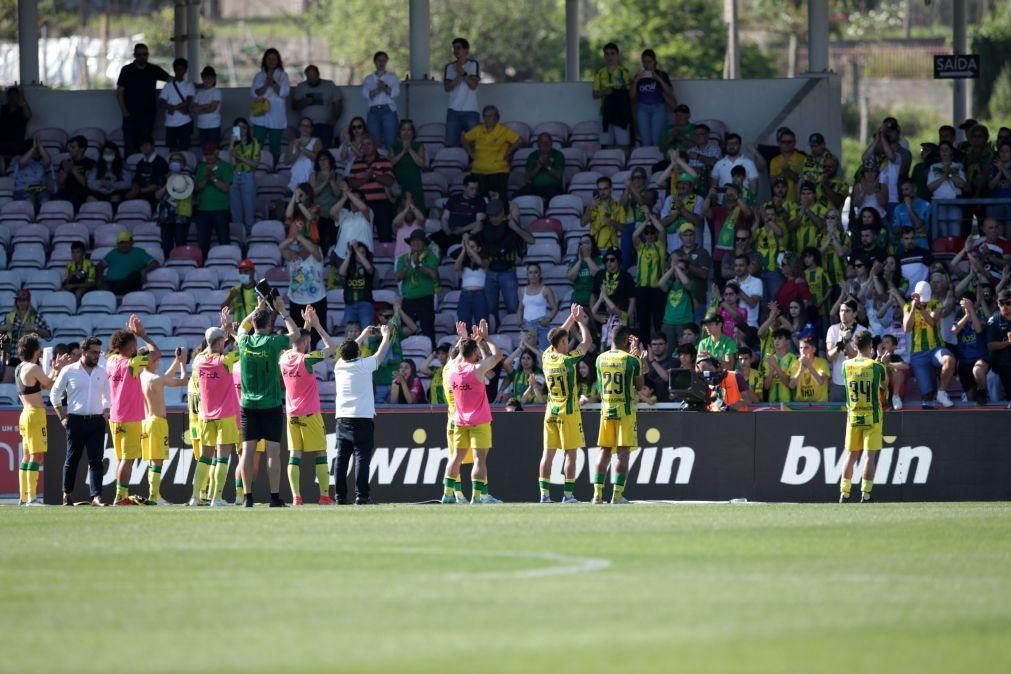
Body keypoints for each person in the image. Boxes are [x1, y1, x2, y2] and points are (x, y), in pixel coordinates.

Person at [235, 296, 301, 507]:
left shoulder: (243, 341)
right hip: (271, 404)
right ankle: (274, 497)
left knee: (247, 451)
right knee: (273, 452)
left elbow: (242, 327)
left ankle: (247, 497)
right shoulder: (273, 342)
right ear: (270, 324)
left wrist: (256, 309)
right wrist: (283, 312)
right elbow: (296, 334)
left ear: (254, 323)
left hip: (247, 405)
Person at [443, 320, 504, 504]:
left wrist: (464, 338)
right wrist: (484, 338)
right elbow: (498, 355)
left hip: (459, 420)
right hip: (479, 420)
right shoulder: (477, 369)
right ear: (475, 353)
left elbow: (457, 356)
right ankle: (477, 497)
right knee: (479, 459)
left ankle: (447, 495)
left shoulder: (451, 369)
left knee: (455, 458)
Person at [334, 321, 394, 504]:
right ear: (358, 352)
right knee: (362, 458)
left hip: (342, 418)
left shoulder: (339, 366)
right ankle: (362, 496)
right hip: (362, 419)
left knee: (342, 459)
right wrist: (385, 335)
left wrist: (362, 336)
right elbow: (381, 353)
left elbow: (348, 351)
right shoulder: (365, 365)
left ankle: (340, 496)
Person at [282, 306, 338, 505]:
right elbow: (331, 348)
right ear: (306, 342)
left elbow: (299, 340)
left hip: (292, 413)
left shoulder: (284, 358)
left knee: (294, 455)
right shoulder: (307, 360)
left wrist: (306, 326)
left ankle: (296, 497)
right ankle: (324, 496)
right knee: (320, 453)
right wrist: (317, 326)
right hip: (310, 413)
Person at [537, 305, 593, 503]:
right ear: (562, 342)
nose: (568, 341)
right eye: (566, 340)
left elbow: (559, 335)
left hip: (550, 412)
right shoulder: (568, 361)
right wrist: (580, 321)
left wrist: (571, 316)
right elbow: (587, 342)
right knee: (571, 454)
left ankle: (544, 495)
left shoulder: (546, 357)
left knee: (548, 454)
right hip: (568, 413)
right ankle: (568, 496)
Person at [106, 316, 160, 506]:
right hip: (130, 418)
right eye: (134, 344)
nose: (136, 347)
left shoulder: (111, 360)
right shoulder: (133, 363)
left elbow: (115, 350)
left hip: (115, 417)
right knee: (127, 460)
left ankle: (119, 495)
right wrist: (143, 334)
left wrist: (129, 335)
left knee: (121, 459)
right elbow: (155, 353)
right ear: (129, 348)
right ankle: (120, 497)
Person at [51, 337, 110, 507]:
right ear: (84, 352)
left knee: (96, 461)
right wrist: (62, 416)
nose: (97, 356)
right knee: (72, 459)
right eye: (93, 352)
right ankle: (66, 494)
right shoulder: (69, 370)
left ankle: (96, 497)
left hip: (96, 421)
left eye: (99, 353)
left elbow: (108, 396)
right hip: (75, 420)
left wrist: (106, 412)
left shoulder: (102, 372)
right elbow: (55, 394)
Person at [14, 336, 70, 505]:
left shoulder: (20, 367)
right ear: (36, 351)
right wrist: (58, 370)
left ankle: (24, 497)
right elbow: (49, 385)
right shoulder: (33, 367)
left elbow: (45, 383)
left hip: (25, 413)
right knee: (36, 456)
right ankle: (32, 498)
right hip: (35, 415)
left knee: (27, 456)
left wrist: (54, 370)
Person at [593, 326, 645, 504]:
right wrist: (638, 358)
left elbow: (600, 389)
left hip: (606, 410)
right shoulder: (631, 360)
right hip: (625, 412)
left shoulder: (600, 359)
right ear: (626, 341)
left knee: (604, 452)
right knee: (623, 453)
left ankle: (597, 495)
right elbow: (639, 386)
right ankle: (616, 496)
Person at [191, 323, 241, 507]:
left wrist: (222, 332)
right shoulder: (225, 361)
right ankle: (216, 498)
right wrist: (233, 333)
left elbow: (210, 347)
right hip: (225, 415)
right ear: (220, 342)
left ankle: (195, 496)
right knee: (222, 457)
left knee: (204, 457)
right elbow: (243, 347)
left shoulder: (198, 361)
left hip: (206, 415)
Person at [839, 331, 889, 503]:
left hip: (853, 416)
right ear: (871, 347)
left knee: (851, 456)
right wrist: (882, 363)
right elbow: (884, 385)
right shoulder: (876, 366)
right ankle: (866, 494)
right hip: (872, 416)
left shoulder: (845, 365)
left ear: (854, 346)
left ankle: (844, 493)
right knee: (869, 456)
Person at [475, 198, 535, 329]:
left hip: (508, 271)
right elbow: (471, 241)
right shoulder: (484, 226)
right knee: (490, 310)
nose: (494, 219)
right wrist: (474, 231)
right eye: (491, 216)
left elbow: (531, 240)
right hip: (490, 271)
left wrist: (516, 228)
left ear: (503, 213)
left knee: (514, 307)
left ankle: (518, 335)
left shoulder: (510, 225)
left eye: (496, 215)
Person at [139, 345, 188, 504]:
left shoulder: (143, 377)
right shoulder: (156, 379)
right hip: (157, 423)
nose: (158, 362)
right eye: (155, 359)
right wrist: (183, 364)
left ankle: (154, 495)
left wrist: (176, 360)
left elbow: (165, 378)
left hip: (146, 422)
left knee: (152, 461)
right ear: (148, 361)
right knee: (157, 460)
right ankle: (154, 497)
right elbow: (183, 381)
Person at [903, 280, 956, 408]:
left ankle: (942, 392)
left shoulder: (936, 304)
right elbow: (907, 328)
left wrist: (921, 309)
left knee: (949, 360)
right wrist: (913, 308)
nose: (924, 302)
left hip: (935, 348)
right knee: (926, 396)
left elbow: (932, 323)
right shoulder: (908, 306)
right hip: (917, 352)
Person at [116, 43, 171, 156]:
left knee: (145, 147)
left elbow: (172, 80)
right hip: (130, 115)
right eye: (139, 54)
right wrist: (124, 111)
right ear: (134, 55)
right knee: (130, 146)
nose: (142, 56)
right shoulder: (127, 70)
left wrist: (191, 85)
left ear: (148, 55)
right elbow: (120, 92)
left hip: (148, 115)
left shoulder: (154, 69)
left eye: (145, 54)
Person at [463, 105, 521, 199]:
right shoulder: (478, 129)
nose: (487, 119)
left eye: (490, 116)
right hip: (478, 171)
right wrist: (470, 153)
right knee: (479, 200)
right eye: (485, 116)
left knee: (497, 200)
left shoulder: (504, 130)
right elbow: (464, 138)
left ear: (497, 118)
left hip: (498, 171)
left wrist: (507, 153)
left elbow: (518, 140)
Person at [280, 228, 327, 345]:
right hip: (296, 302)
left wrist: (299, 236)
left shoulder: (317, 256)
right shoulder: (293, 257)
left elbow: (313, 249)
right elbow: (281, 247)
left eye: (304, 245)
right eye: (300, 246)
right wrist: (292, 237)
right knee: (297, 334)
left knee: (317, 335)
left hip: (316, 300)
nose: (301, 248)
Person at [393, 230, 439, 342]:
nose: (416, 243)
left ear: (424, 243)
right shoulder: (403, 259)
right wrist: (407, 266)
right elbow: (397, 278)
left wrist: (418, 264)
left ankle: (431, 354)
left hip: (425, 299)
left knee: (427, 329)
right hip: (408, 300)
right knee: (407, 330)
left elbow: (433, 275)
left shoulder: (430, 257)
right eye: (414, 241)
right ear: (410, 243)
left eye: (419, 241)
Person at [348, 135, 396, 242]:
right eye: (363, 145)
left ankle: (385, 256)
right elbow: (351, 183)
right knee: (362, 236)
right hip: (362, 204)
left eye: (369, 144)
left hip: (382, 204)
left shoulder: (384, 160)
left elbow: (390, 181)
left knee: (385, 235)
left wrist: (374, 176)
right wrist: (366, 179)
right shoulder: (357, 162)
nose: (366, 147)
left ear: (375, 145)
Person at [1, 289, 52, 382]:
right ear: (16, 302)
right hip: (13, 356)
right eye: (19, 300)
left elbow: (48, 335)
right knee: (6, 383)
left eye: (24, 300)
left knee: (28, 386)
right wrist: (4, 327)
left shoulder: (36, 316)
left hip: (30, 356)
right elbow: (2, 334)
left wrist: (35, 328)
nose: (21, 303)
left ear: (28, 301)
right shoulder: (10, 316)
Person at [250, 48, 291, 163]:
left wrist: (272, 82)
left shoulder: (283, 76)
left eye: (274, 59)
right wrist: (265, 84)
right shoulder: (259, 76)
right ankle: (256, 166)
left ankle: (274, 168)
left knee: (275, 146)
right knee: (257, 145)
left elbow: (284, 93)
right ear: (265, 60)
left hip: (276, 116)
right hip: (260, 115)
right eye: (269, 59)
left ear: (278, 61)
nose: (271, 61)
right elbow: (254, 93)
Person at [193, 141, 233, 256]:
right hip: (203, 210)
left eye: (211, 154)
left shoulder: (225, 167)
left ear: (217, 153)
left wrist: (212, 178)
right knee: (202, 242)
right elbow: (197, 188)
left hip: (221, 209)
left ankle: (226, 262)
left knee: (224, 241)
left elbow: (225, 188)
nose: (208, 156)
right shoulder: (201, 167)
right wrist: (206, 177)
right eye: (206, 154)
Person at [825, 299, 869, 402]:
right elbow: (829, 357)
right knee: (835, 417)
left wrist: (847, 342)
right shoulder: (833, 329)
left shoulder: (863, 331)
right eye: (841, 311)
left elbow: (857, 358)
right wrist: (842, 341)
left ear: (855, 314)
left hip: (857, 382)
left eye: (847, 311)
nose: (843, 314)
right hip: (838, 382)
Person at [433, 173, 486, 256]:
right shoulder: (454, 198)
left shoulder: (480, 201)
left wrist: (462, 229)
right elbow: (444, 217)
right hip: (451, 231)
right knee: (429, 240)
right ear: (464, 187)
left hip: (467, 233)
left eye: (476, 189)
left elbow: (480, 221)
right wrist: (446, 229)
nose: (474, 191)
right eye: (471, 189)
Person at [630, 49, 675, 147]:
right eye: (644, 62)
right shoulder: (639, 75)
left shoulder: (662, 74)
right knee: (645, 141)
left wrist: (658, 79)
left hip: (658, 107)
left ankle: (656, 160)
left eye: (649, 61)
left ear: (654, 61)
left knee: (657, 140)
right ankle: (648, 160)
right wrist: (635, 82)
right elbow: (631, 97)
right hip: (642, 108)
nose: (647, 64)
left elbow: (670, 92)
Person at [632, 216, 668, 336]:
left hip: (657, 288)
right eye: (647, 233)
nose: (650, 235)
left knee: (658, 321)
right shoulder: (640, 247)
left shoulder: (660, 246)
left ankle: (658, 346)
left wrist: (651, 217)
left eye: (652, 232)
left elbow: (662, 230)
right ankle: (645, 349)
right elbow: (634, 236)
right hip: (641, 288)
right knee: (643, 322)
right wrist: (645, 221)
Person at [593, 42, 631, 150]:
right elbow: (595, 94)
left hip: (621, 112)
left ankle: (624, 166)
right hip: (605, 111)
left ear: (617, 55)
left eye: (612, 54)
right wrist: (605, 92)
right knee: (606, 144)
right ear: (604, 56)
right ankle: (607, 166)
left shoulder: (624, 72)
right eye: (607, 54)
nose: (610, 57)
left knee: (624, 144)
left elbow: (630, 91)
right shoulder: (599, 73)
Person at [952, 295, 990, 405]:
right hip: (964, 363)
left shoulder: (981, 319)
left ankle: (982, 391)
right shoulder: (959, 320)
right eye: (964, 305)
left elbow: (978, 329)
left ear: (974, 304)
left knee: (977, 371)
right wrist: (967, 315)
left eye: (968, 304)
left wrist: (972, 311)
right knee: (971, 400)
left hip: (980, 358)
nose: (966, 307)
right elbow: (954, 331)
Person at [293, 64, 342, 147]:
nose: (312, 80)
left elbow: (338, 104)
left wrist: (334, 119)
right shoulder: (301, 87)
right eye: (309, 77)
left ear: (318, 74)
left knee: (325, 149)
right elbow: (294, 106)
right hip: (308, 125)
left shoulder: (329, 85)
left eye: (314, 76)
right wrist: (304, 102)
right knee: (310, 148)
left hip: (325, 124)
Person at [444, 37, 481, 147]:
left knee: (474, 144)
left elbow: (473, 85)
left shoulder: (473, 64)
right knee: (451, 144)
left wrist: (463, 73)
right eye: (454, 48)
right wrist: (458, 75)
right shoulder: (449, 67)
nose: (456, 51)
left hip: (471, 110)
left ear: (466, 50)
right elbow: (447, 87)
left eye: (458, 48)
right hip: (453, 110)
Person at [928, 140, 967, 239]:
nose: (944, 152)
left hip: (954, 203)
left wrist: (950, 174)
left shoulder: (958, 166)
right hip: (939, 204)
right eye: (941, 150)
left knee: (955, 232)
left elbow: (962, 184)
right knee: (942, 233)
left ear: (951, 151)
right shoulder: (934, 167)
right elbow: (930, 187)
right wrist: (943, 177)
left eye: (946, 149)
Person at [361, 51, 400, 151]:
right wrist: (379, 89)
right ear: (375, 62)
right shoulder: (369, 79)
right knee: (374, 141)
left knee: (391, 141)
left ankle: (390, 164)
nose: (381, 63)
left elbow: (395, 93)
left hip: (388, 110)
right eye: (379, 60)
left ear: (386, 62)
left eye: (384, 61)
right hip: (373, 111)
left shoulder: (392, 77)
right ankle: (377, 165)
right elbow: (366, 95)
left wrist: (384, 87)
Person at [228, 117, 260, 234]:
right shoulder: (233, 144)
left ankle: (250, 240)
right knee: (236, 212)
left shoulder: (254, 142)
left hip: (247, 176)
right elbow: (232, 164)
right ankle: (239, 240)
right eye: (239, 128)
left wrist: (240, 157)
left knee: (249, 211)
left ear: (248, 129)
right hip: (235, 176)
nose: (242, 130)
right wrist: (232, 143)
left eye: (244, 127)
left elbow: (255, 164)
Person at [516, 132, 565, 203]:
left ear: (551, 143)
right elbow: (528, 177)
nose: (545, 144)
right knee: (517, 195)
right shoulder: (533, 156)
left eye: (547, 142)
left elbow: (559, 176)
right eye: (542, 142)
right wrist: (538, 166)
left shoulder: (558, 155)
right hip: (535, 188)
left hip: (553, 187)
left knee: (553, 194)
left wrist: (547, 165)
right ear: (538, 144)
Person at [581, 175, 626, 252]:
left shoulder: (618, 207)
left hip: (612, 247)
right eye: (600, 189)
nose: (602, 192)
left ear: (611, 189)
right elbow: (582, 223)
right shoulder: (592, 205)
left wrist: (612, 222)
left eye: (605, 188)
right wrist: (590, 208)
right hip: (594, 247)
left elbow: (624, 229)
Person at [390, 119, 427, 212]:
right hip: (400, 185)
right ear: (399, 132)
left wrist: (410, 150)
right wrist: (403, 151)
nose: (406, 132)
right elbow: (391, 163)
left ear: (413, 132)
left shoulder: (419, 145)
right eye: (403, 129)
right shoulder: (394, 146)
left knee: (417, 212)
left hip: (415, 185)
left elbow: (422, 164)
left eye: (409, 129)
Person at [519, 263, 558, 350]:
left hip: (541, 324)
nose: (533, 275)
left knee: (543, 352)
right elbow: (520, 308)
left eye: (536, 272)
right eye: (530, 273)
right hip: (527, 324)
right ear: (527, 275)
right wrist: (519, 319)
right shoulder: (523, 290)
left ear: (540, 274)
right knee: (527, 351)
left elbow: (554, 308)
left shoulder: (546, 290)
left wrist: (548, 319)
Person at [159, 58, 195, 151]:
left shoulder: (189, 85)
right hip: (170, 124)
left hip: (185, 122)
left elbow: (188, 101)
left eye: (181, 69)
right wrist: (178, 108)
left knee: (185, 150)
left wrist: (172, 107)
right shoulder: (168, 86)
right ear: (174, 70)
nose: (179, 72)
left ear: (185, 70)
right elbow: (161, 103)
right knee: (172, 150)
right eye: (177, 69)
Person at [455, 233, 489, 328]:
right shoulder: (464, 262)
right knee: (463, 323)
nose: (469, 249)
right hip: (465, 295)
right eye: (468, 247)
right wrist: (463, 249)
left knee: (481, 325)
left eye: (473, 247)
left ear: (479, 249)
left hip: (480, 294)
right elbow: (456, 267)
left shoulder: (485, 261)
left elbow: (479, 262)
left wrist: (467, 247)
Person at [339, 240, 376, 329]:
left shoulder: (368, 266)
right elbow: (341, 272)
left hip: (365, 305)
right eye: (357, 253)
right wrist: (349, 254)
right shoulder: (349, 267)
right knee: (349, 333)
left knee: (366, 332)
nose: (359, 254)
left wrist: (356, 251)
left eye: (362, 253)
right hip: (350, 305)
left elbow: (369, 268)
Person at [55, 135, 96, 209]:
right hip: (66, 191)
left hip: (82, 192)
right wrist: (65, 171)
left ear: (82, 149)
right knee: (55, 201)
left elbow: (85, 183)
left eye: (73, 147)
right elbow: (59, 184)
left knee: (76, 199)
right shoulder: (64, 162)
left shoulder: (90, 163)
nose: (70, 150)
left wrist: (73, 169)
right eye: (70, 147)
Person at [126, 135, 169, 204]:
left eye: (146, 145)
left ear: (153, 146)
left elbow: (157, 184)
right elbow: (136, 179)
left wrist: (139, 191)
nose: (144, 148)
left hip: (155, 194)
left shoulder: (161, 162)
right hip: (140, 192)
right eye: (142, 146)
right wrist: (134, 188)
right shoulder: (140, 163)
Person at [12, 134, 51, 207]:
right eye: (36, 150)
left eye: (38, 150)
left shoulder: (40, 161)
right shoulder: (18, 158)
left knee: (45, 202)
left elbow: (48, 161)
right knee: (29, 201)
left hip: (40, 189)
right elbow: (22, 163)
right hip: (23, 190)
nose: (38, 151)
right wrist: (33, 148)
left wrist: (40, 146)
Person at [986, 289, 1011, 404]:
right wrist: (1008, 342)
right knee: (991, 379)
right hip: (1000, 366)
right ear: (997, 303)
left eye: (1008, 303)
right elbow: (990, 345)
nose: (1005, 306)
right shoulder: (994, 320)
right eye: (1001, 303)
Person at [285, 117, 322, 192]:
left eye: (308, 126)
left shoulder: (316, 141)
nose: (305, 128)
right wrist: (297, 153)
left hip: (311, 178)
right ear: (299, 127)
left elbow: (317, 158)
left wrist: (302, 148)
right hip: (295, 178)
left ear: (311, 129)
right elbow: (286, 161)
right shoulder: (292, 142)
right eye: (303, 125)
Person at [87, 141, 130, 206]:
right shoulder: (97, 166)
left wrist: (112, 184)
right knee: (90, 198)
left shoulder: (123, 166)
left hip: (115, 191)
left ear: (115, 153)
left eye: (110, 152)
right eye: (105, 153)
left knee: (116, 198)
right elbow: (90, 183)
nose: (108, 155)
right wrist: (100, 183)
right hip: (100, 192)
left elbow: (128, 183)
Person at [769, 128, 807, 203]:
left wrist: (788, 171)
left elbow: (804, 182)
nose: (786, 144)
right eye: (783, 142)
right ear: (779, 143)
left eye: (789, 142)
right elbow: (771, 183)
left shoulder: (802, 159)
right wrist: (782, 173)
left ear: (794, 143)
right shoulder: (774, 161)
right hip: (780, 203)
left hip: (797, 202)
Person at [567, 235, 603, 313]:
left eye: (586, 242)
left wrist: (587, 258)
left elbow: (599, 276)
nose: (583, 245)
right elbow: (570, 278)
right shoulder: (574, 261)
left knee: (593, 325)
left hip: (595, 300)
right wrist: (580, 261)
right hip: (577, 300)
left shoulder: (599, 259)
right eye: (581, 243)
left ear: (592, 245)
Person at [789, 335, 830, 402]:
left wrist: (808, 365)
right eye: (801, 348)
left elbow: (820, 382)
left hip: (820, 404)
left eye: (806, 348)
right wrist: (800, 370)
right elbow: (791, 386)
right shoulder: (795, 364)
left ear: (814, 350)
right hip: (801, 404)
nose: (802, 350)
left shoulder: (822, 362)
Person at [190, 66, 223, 147]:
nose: (207, 80)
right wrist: (205, 105)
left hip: (213, 126)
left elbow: (212, 109)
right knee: (204, 151)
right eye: (205, 78)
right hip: (201, 126)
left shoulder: (217, 92)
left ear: (214, 79)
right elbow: (192, 109)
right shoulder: (199, 93)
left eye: (209, 78)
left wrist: (199, 109)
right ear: (202, 78)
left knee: (214, 151)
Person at [0, 83, 31, 160]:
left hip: (16, 144)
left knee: (29, 144)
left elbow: (28, 115)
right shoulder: (3, 109)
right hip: (2, 142)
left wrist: (23, 100)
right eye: (10, 96)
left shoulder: (22, 110)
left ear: (18, 97)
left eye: (14, 96)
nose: (12, 98)